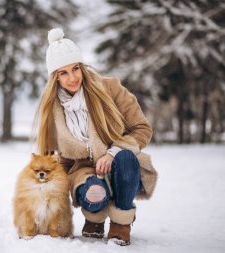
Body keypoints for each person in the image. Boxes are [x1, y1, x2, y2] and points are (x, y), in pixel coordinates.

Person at [35, 28, 158, 246]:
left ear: (82, 66)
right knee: (94, 194)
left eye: (75, 68)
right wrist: (49, 212)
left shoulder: (110, 88)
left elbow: (142, 128)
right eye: (63, 73)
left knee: (126, 158)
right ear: (55, 77)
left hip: (121, 164)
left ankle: (121, 221)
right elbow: (52, 163)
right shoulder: (51, 110)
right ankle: (95, 218)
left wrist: (112, 153)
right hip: (83, 171)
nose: (72, 78)